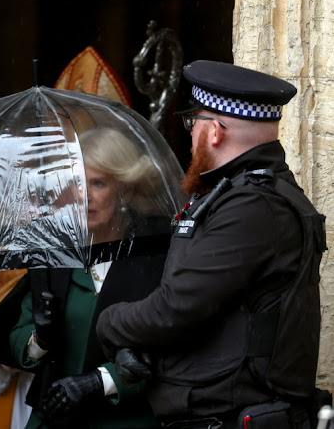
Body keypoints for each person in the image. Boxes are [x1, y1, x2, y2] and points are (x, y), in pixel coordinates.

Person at [96, 60, 328, 428]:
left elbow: (176, 309)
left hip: (226, 417)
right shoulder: (241, 196)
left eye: (193, 123)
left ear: (215, 132)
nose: (190, 135)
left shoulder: (252, 206)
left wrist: (108, 322)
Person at [8, 127, 174, 429]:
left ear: (126, 189)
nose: (83, 196)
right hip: (54, 418)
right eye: (76, 182)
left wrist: (102, 381)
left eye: (97, 183)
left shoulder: (157, 255)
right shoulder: (54, 252)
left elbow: (169, 347)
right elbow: (20, 334)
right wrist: (39, 340)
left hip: (125, 420)